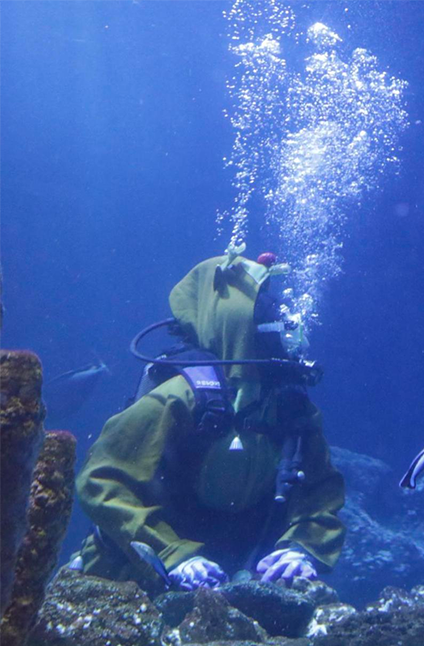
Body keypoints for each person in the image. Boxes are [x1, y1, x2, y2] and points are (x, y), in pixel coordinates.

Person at [73, 249, 346, 590]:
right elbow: (102, 480)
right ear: (240, 324)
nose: (284, 334)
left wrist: (302, 548)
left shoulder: (291, 407)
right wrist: (171, 552)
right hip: (129, 578)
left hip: (233, 578)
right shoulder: (179, 397)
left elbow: (320, 491)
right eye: (268, 318)